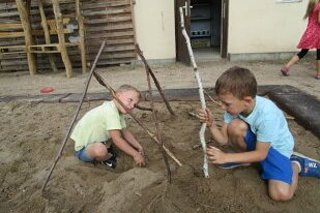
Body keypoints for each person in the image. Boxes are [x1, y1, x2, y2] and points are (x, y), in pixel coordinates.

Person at [198, 66, 320, 201]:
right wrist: (212, 125)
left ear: (247, 101)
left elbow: (261, 154)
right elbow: (223, 140)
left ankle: (297, 164)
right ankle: (244, 161)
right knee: (235, 126)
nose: (222, 107)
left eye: (226, 104)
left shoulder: (267, 115)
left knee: (281, 194)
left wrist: (226, 157)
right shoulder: (234, 109)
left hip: (275, 149)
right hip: (259, 142)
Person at [71, 84, 145, 169]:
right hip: (83, 149)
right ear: (117, 95)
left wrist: (138, 146)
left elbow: (125, 132)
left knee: (118, 132)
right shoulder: (110, 112)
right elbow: (117, 140)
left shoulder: (114, 109)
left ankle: (107, 148)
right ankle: (105, 158)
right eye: (130, 100)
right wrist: (135, 154)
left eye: (134, 105)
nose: (132, 106)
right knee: (101, 149)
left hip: (96, 140)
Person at [280, 0, 320, 79]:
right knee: (319, 54)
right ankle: (319, 74)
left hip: (310, 31)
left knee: (303, 52)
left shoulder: (312, 3)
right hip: (318, 32)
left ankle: (286, 67)